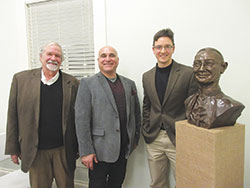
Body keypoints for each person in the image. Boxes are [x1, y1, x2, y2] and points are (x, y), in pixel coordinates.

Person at [5, 41, 79, 188]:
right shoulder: (21, 80)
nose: (53, 58)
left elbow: (79, 118)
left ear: (62, 60)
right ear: (41, 57)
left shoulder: (73, 82)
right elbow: (12, 115)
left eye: (57, 55)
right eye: (49, 54)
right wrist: (13, 148)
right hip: (35, 150)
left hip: (63, 150)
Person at [75, 46, 141, 188]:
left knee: (117, 183)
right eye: (103, 56)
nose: (107, 59)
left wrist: (135, 138)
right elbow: (81, 120)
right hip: (99, 151)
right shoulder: (88, 83)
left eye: (112, 55)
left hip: (123, 148)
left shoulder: (129, 84)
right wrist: (86, 151)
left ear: (117, 60)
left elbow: (136, 113)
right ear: (98, 60)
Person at [142, 28, 198, 188]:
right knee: (157, 183)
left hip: (179, 138)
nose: (163, 51)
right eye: (159, 47)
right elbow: (147, 105)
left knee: (184, 182)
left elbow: (193, 108)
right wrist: (146, 130)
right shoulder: (147, 76)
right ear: (153, 50)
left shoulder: (188, 73)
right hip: (154, 138)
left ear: (173, 48)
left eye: (167, 47)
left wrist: (188, 135)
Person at [185, 47, 245, 129]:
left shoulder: (230, 106)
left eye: (209, 64)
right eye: (197, 64)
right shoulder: (189, 102)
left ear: (223, 67)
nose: (201, 69)